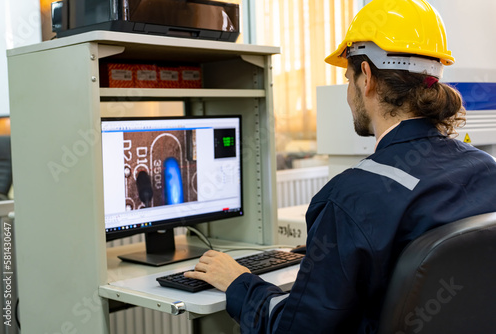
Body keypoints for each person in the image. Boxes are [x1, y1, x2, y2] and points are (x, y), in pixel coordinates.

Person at [185, 0, 496, 332]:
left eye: (348, 78)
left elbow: (295, 329)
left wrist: (240, 283)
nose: (349, 93)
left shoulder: (350, 198)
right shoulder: (486, 169)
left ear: (366, 77)